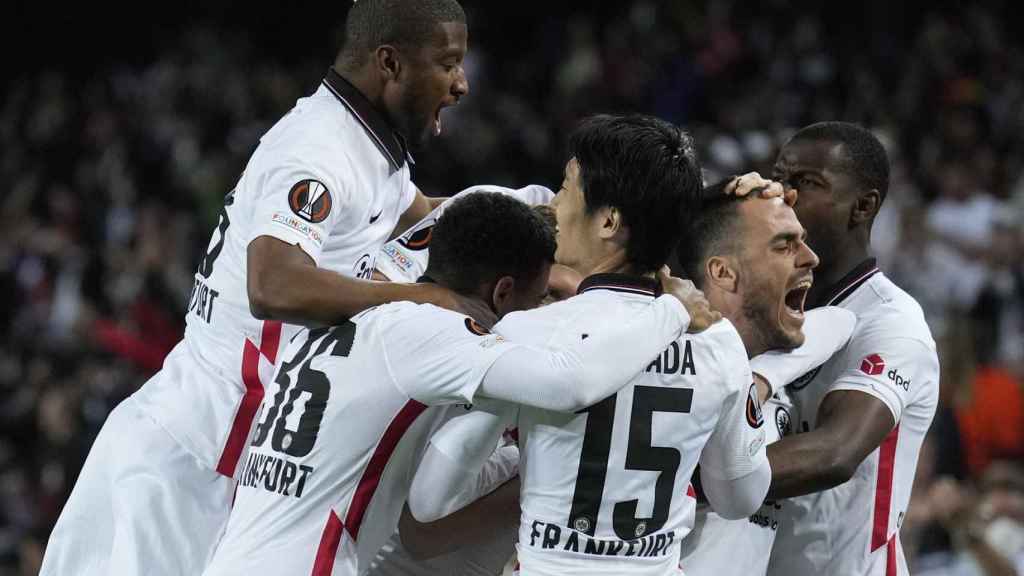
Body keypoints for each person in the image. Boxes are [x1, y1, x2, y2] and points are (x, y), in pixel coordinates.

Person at [40, 1, 483, 574]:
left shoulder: (370, 146)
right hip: (181, 463)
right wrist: (424, 299)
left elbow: (423, 217)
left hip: (231, 462)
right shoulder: (319, 148)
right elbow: (273, 284)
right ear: (390, 63)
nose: (462, 83)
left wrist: (541, 214)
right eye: (448, 63)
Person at [201, 191, 715, 576]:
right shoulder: (434, 334)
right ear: (503, 290)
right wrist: (672, 310)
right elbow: (571, 382)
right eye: (538, 299)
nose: (543, 313)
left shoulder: (349, 321)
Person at [405, 115, 773, 576]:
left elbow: (429, 499)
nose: (554, 205)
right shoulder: (717, 340)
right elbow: (741, 497)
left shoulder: (532, 330)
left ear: (609, 221)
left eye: (566, 189)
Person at [760, 122, 940, 575]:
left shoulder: (892, 324)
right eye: (779, 177)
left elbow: (834, 453)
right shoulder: (761, 306)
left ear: (863, 206)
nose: (784, 195)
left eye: (807, 182)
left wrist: (703, 475)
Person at [673, 178, 856, 576]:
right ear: (723, 272)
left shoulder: (769, 360)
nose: (811, 258)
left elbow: (842, 320)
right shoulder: (675, 373)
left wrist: (752, 383)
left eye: (802, 240)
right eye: (784, 244)